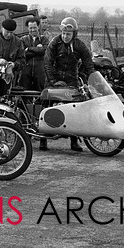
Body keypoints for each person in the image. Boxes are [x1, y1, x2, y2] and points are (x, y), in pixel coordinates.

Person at [43, 17, 94, 152]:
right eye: (64, 33)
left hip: (72, 79)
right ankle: (43, 138)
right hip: (53, 78)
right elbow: (47, 63)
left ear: (74, 34)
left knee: (74, 108)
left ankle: (74, 141)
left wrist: (92, 78)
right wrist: (53, 81)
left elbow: (89, 64)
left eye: (68, 34)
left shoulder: (80, 45)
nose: (65, 36)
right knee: (46, 105)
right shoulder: (54, 42)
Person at [20, 18, 48, 90]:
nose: (33, 30)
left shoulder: (44, 39)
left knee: (41, 92)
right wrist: (37, 50)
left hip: (40, 71)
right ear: (28, 28)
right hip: (26, 71)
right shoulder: (23, 39)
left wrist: (29, 49)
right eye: (31, 28)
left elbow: (44, 51)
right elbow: (23, 54)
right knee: (25, 92)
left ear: (38, 27)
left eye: (34, 27)